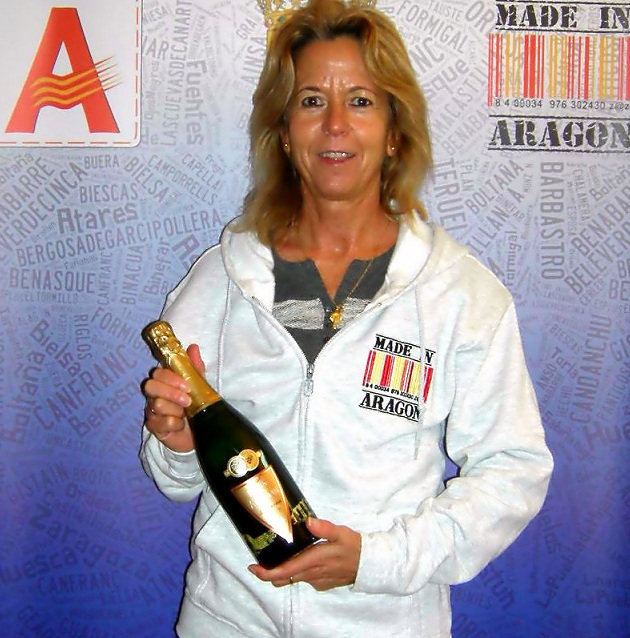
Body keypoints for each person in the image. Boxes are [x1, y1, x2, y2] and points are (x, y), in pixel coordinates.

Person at [140, 0, 553, 636]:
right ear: (284, 130)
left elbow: (513, 470)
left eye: (360, 100)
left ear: (393, 131)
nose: (335, 124)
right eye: (311, 101)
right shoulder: (220, 281)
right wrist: (176, 445)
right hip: (228, 619)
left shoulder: (460, 294)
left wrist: (378, 561)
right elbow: (175, 480)